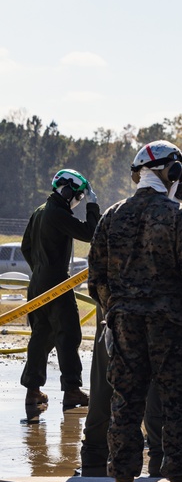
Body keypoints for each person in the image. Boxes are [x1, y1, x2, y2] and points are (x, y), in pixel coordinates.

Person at [88, 140, 182, 482]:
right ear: (171, 172)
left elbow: (95, 275)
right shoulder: (179, 214)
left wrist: (112, 313)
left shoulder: (112, 215)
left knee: (126, 401)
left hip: (125, 323)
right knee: (181, 399)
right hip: (171, 324)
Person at [21, 168, 100, 408]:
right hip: (57, 283)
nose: (76, 201)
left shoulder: (40, 211)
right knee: (68, 335)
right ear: (67, 191)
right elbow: (90, 233)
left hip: (37, 284)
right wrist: (93, 205)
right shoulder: (57, 212)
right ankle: (73, 390)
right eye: (77, 196)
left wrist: (41, 270)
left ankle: (33, 391)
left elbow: (26, 247)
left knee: (41, 336)